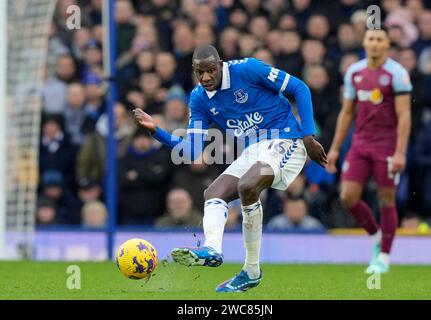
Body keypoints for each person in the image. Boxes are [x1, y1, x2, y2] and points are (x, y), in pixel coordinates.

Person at [133, 44, 326, 292]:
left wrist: (308, 135)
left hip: (285, 138)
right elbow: (192, 151)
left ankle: (251, 268)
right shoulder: (199, 98)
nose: (205, 77)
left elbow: (299, 87)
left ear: (220, 64)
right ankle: (214, 250)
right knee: (213, 193)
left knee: (247, 185)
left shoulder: (249, 69)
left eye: (210, 71)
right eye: (199, 72)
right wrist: (156, 131)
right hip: (254, 150)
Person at [326, 26, 412, 274]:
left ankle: (384, 256)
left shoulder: (396, 74)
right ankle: (376, 235)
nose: (374, 43)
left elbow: (405, 115)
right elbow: (347, 112)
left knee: (386, 198)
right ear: (364, 43)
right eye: (371, 39)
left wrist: (400, 152)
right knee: (347, 196)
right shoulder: (354, 72)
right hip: (360, 145)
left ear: (386, 45)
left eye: (379, 40)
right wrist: (334, 148)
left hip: (386, 145)